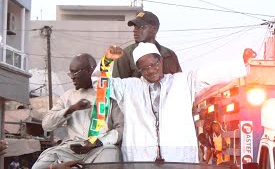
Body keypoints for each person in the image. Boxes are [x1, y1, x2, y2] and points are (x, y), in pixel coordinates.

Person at [92, 43, 247, 162]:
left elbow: (210, 74)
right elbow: (99, 84)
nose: (151, 70)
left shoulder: (183, 82)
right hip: (140, 161)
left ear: (160, 60)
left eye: (154, 64)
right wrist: (106, 61)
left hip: (178, 160)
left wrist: (241, 62)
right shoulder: (129, 87)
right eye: (144, 67)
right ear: (138, 69)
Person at [32, 53, 124, 168]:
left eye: (75, 72)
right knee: (40, 165)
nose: (72, 77)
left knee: (111, 154)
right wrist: (71, 109)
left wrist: (97, 142)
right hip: (70, 150)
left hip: (100, 149)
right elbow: (46, 125)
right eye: (70, 72)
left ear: (90, 70)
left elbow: (121, 129)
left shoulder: (110, 94)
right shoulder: (68, 96)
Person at [111, 11, 181, 78]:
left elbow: (178, 81)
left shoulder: (169, 55)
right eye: (135, 27)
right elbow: (117, 86)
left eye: (141, 27)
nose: (135, 30)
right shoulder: (125, 55)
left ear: (153, 29)